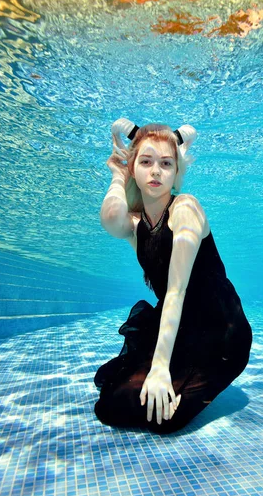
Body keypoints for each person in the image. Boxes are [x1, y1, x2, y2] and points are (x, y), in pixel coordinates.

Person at [94, 119, 253, 434]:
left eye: (166, 164)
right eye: (146, 162)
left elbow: (176, 292)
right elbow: (111, 216)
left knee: (159, 418)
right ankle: (177, 376)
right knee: (113, 396)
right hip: (181, 328)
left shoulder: (186, 210)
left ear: (177, 171)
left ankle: (197, 380)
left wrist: (159, 370)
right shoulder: (137, 225)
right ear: (134, 169)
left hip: (222, 335)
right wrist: (117, 173)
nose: (155, 171)